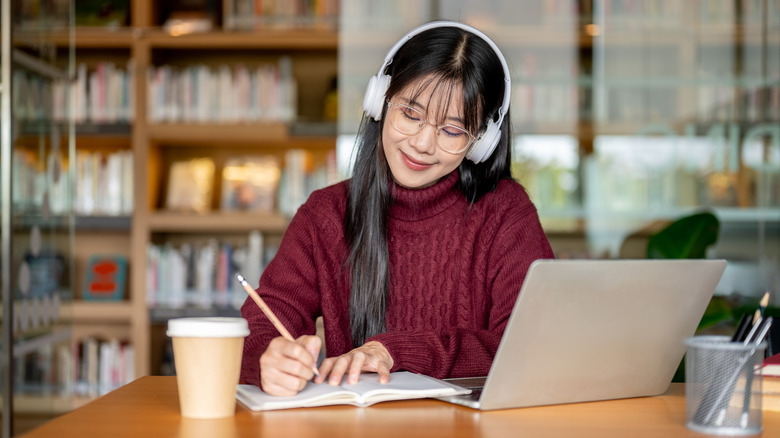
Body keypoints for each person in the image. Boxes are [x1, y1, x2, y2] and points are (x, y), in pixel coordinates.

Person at [240, 21, 554, 396]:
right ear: (380, 101)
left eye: (452, 131)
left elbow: (531, 345)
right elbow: (261, 329)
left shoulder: (505, 213)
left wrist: (398, 351)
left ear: (481, 142)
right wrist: (268, 358)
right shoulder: (325, 215)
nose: (422, 143)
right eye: (410, 113)